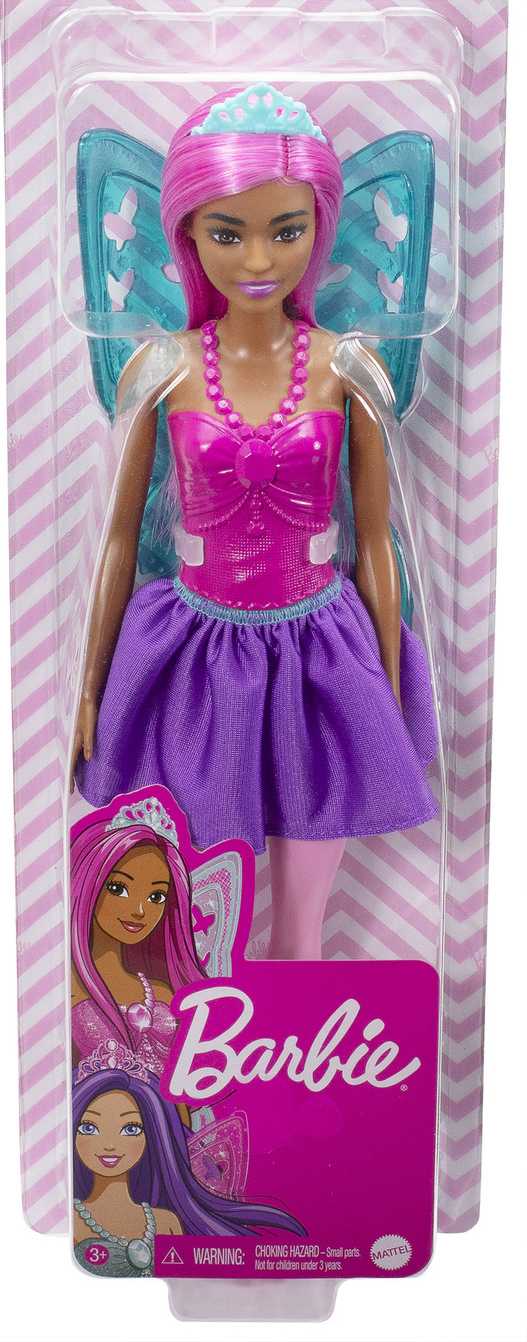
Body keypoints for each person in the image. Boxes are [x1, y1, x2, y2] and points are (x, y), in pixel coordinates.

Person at [73, 83, 437, 960]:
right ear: (187, 234)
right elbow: (117, 537)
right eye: (228, 232)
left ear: (319, 230)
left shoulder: (345, 368)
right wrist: (88, 686)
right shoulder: (164, 369)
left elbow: (376, 537)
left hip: (321, 652)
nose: (258, 258)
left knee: (300, 922)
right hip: (198, 657)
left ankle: (298, 1029)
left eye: (286, 229)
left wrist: (388, 678)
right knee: (207, 903)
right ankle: (214, 1040)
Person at [73, 1065, 305, 1275]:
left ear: (154, 1135)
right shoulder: (72, 1221)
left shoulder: (166, 1221)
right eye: (88, 1128)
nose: (109, 1145)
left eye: (131, 1129)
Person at [71, 801, 206, 1080]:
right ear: (87, 883)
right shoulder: (67, 989)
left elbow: (181, 1087)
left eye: (156, 896)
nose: (140, 911)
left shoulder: (163, 992)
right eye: (118, 888)